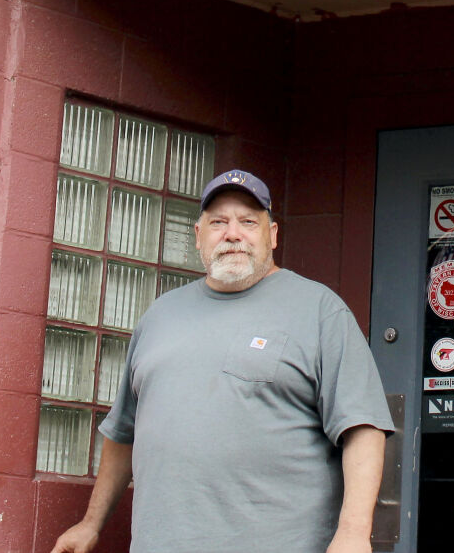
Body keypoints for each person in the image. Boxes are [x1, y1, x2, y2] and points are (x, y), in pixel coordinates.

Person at [50, 169, 394, 553]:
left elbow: (362, 429)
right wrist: (90, 523)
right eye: (219, 222)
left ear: (273, 235)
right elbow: (124, 434)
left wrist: (353, 534)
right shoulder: (160, 315)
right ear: (198, 236)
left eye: (248, 221)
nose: (233, 233)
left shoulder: (320, 311)